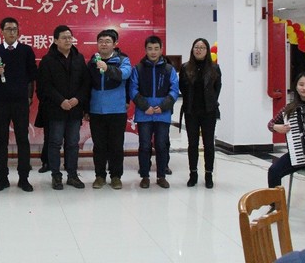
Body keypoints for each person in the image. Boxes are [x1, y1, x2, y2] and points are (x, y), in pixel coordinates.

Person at [267, 71, 305, 234]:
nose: (304, 88)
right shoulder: (289, 109)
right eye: (301, 84)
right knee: (274, 170)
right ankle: (275, 205)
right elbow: (270, 124)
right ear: (296, 87)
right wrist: (276, 127)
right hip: (298, 153)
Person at [37, 25, 90, 190]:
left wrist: (77, 99)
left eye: (70, 37)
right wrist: (61, 101)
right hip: (55, 109)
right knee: (54, 143)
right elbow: (44, 86)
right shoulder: (48, 60)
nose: (68, 40)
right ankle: (56, 175)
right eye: (64, 38)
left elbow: (85, 83)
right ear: (55, 41)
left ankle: (72, 175)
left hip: (74, 109)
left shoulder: (79, 58)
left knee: (73, 143)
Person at [0, 17, 37, 192]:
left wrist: (29, 96)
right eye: (8, 29)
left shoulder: (26, 50)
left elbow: (32, 76)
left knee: (22, 139)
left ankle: (24, 178)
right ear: (1, 31)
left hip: (20, 102)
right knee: (1, 140)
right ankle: (2, 178)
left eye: (14, 29)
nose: (12, 32)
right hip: (0, 102)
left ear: (18, 32)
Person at [131, 35, 179, 189]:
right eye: (150, 49)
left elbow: (174, 90)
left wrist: (163, 106)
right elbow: (133, 90)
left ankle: (161, 176)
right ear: (145, 50)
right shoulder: (138, 69)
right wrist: (145, 106)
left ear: (161, 50)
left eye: (156, 49)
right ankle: (145, 176)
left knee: (161, 145)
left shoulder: (169, 69)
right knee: (144, 145)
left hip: (162, 114)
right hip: (144, 114)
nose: (153, 52)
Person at [86, 29, 131, 190]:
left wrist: (107, 68)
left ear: (115, 43)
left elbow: (125, 74)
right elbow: (87, 86)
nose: (103, 44)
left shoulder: (123, 60)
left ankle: (116, 176)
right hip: (96, 110)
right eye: (101, 41)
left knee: (116, 145)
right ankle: (99, 176)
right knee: (99, 146)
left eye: (107, 41)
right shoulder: (92, 62)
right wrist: (86, 109)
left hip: (117, 110)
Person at [179, 38, 222, 189]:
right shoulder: (185, 67)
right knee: (192, 144)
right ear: (192, 49)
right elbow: (182, 87)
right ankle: (193, 174)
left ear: (207, 50)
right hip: (191, 111)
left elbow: (217, 88)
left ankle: (209, 174)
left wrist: (211, 102)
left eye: (202, 47)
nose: (199, 50)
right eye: (196, 47)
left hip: (208, 111)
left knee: (209, 144)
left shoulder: (214, 68)